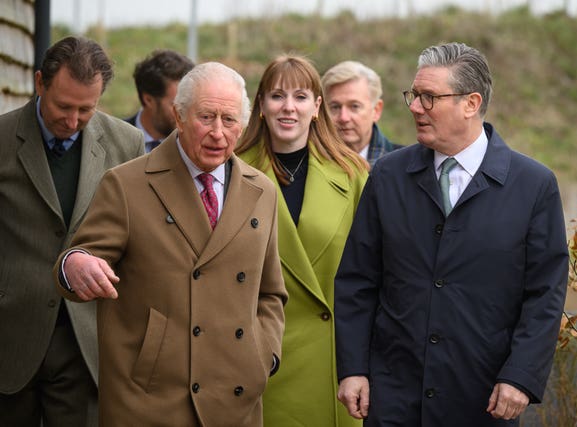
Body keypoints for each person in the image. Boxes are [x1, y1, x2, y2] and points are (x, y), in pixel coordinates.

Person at [334, 42, 568, 426]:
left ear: (471, 103)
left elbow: (545, 293)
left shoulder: (533, 185)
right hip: (393, 398)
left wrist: (520, 376)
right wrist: (353, 368)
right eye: (414, 95)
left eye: (428, 97)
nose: (413, 107)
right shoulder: (388, 176)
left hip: (484, 398)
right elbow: (358, 280)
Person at [53, 61, 287, 426]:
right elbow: (79, 256)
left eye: (229, 120)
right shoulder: (127, 184)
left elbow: (271, 293)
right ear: (178, 116)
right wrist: (75, 265)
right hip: (150, 399)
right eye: (206, 117)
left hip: (235, 397)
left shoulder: (263, 191)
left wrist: (264, 355)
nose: (218, 133)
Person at [0, 36, 145, 427]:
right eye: (63, 106)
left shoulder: (128, 143)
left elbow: (139, 239)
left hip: (88, 341)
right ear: (39, 83)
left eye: (87, 109)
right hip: (9, 337)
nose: (72, 120)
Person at [235, 54, 369, 427]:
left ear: (317, 107)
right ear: (260, 105)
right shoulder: (231, 172)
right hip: (258, 358)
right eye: (277, 96)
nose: (288, 107)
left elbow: (375, 272)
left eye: (300, 97)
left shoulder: (353, 173)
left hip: (335, 366)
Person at [321, 60, 402, 166]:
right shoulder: (308, 164)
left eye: (354, 106)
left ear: (376, 110)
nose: (344, 118)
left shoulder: (404, 164)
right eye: (335, 107)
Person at [124, 49, 194, 152]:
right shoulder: (114, 139)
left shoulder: (197, 143)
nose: (186, 113)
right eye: (178, 105)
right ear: (148, 100)